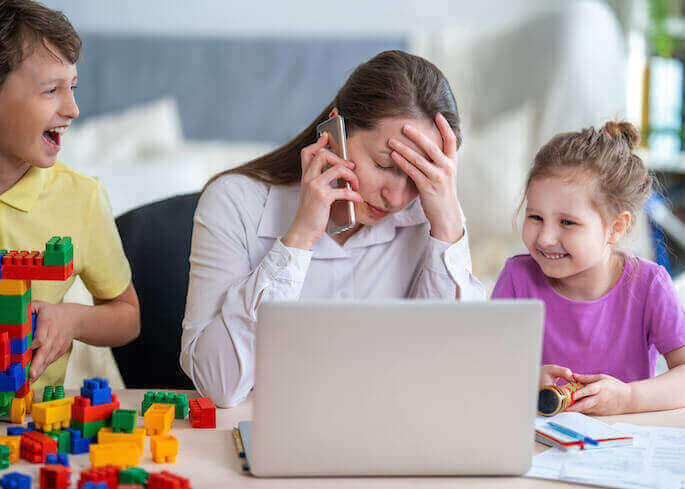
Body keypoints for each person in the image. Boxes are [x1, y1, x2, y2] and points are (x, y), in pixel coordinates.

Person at [181, 50, 486, 407]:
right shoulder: (233, 203)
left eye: (417, 176)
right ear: (336, 128)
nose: (395, 197)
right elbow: (218, 384)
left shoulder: (430, 217)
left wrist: (448, 227)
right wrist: (297, 241)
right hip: (268, 434)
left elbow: (449, 376)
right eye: (384, 164)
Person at [491, 121, 685, 415]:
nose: (545, 238)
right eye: (535, 217)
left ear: (615, 228)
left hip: (625, 444)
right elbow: (488, 368)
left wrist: (628, 397)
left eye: (567, 222)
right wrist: (523, 380)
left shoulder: (648, 284)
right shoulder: (517, 278)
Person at [0, 0, 140, 387]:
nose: (73, 109)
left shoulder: (81, 198)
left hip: (32, 422)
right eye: (51, 90)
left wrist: (71, 318)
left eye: (72, 87)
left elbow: (127, 317)